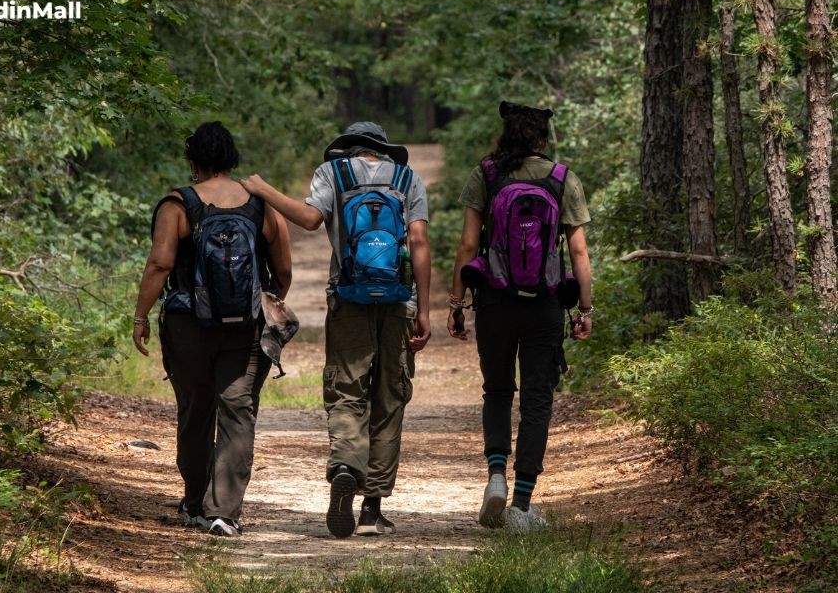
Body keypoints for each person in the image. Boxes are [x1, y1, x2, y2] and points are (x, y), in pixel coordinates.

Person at [238, 122, 432, 538]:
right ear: (383, 149)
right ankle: (371, 510)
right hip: (399, 301)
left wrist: (263, 189)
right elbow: (418, 241)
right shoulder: (407, 178)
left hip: (348, 298)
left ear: (347, 148)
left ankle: (345, 466)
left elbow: (310, 219)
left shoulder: (333, 173)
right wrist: (425, 311)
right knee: (390, 396)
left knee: (347, 390)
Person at [132, 122, 292, 536]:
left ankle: (194, 502)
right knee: (238, 413)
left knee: (196, 410)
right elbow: (283, 271)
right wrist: (259, 301)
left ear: (193, 161)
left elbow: (160, 264)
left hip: (188, 325)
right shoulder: (261, 205)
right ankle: (223, 512)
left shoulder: (177, 204)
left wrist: (141, 316)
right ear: (231, 158)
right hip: (246, 328)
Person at [447, 101, 593, 530]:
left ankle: (496, 476)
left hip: (495, 301)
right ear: (542, 139)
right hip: (544, 305)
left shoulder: (487, 175)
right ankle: (522, 505)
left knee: (496, 391)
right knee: (536, 400)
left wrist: (456, 303)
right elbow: (579, 251)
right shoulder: (562, 178)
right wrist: (584, 309)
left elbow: (467, 245)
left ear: (505, 135)